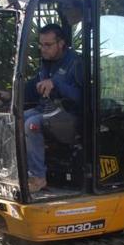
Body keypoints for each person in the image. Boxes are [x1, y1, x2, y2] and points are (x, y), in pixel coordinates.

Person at [23, 23, 83, 193]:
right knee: (16, 119)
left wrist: (56, 84)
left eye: (48, 45)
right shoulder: (46, 63)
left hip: (70, 116)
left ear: (61, 43)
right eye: (41, 45)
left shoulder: (76, 64)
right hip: (47, 111)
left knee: (31, 125)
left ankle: (38, 177)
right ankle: (21, 172)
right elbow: (34, 87)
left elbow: (83, 97)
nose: (43, 49)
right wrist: (9, 95)